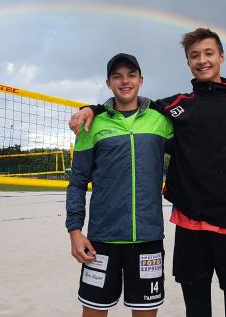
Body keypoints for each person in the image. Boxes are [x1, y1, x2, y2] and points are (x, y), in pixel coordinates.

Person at [70, 28, 226, 317]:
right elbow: (126, 109)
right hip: (177, 234)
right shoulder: (176, 107)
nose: (202, 60)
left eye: (208, 53)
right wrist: (90, 108)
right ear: (188, 62)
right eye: (194, 55)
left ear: (221, 57)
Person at [66, 53, 174, 316]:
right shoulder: (92, 124)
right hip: (102, 240)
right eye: (117, 76)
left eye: (131, 75)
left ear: (141, 80)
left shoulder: (161, 121)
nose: (125, 81)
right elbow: (78, 182)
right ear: (108, 83)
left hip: (147, 239)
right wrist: (75, 231)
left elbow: (198, 131)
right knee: (93, 311)